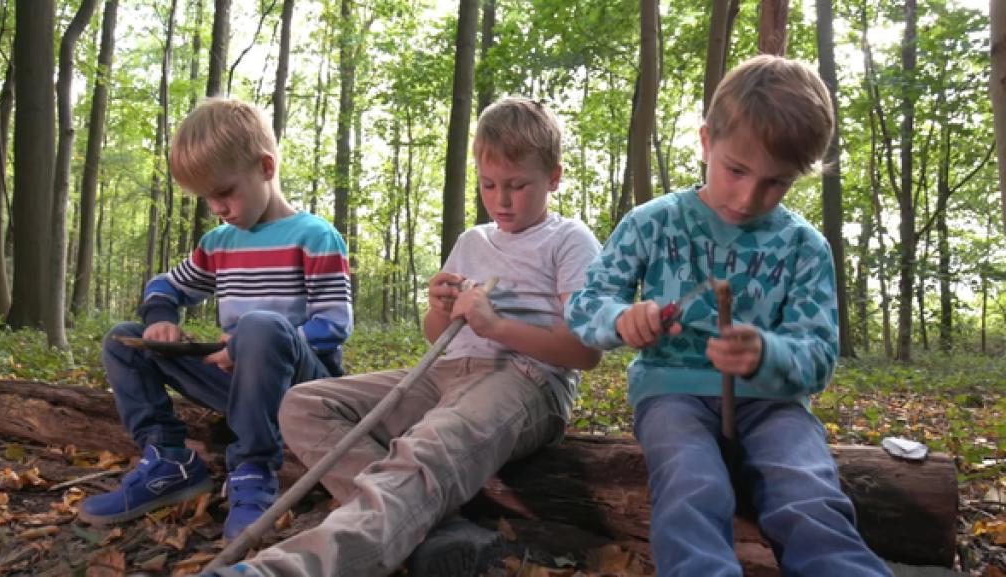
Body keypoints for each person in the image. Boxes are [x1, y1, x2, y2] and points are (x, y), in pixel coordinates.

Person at [204, 97, 602, 577]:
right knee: (304, 405)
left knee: (428, 446)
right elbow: (438, 336)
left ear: (554, 178)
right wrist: (438, 309)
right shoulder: (473, 241)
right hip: (448, 372)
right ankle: (441, 530)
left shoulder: (570, 240)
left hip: (527, 381)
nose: (501, 199)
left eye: (518, 186)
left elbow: (584, 351)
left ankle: (287, 569)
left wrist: (497, 327)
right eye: (489, 184)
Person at [566, 55, 892, 577]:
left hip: (774, 405)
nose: (748, 197)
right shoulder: (654, 223)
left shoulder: (804, 247)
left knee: (808, 493)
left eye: (776, 183)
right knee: (692, 483)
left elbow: (819, 356)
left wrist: (767, 353)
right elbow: (585, 305)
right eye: (735, 170)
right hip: (672, 392)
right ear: (704, 143)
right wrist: (623, 319)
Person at [79, 98, 353, 542]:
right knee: (123, 340)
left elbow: (332, 326)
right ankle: (169, 461)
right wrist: (160, 320)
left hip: (305, 388)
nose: (217, 207)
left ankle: (252, 473)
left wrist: (249, 345)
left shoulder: (314, 236)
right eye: (206, 198)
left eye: (224, 192)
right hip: (237, 378)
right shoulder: (218, 243)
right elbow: (165, 285)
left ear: (265, 167)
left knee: (259, 328)